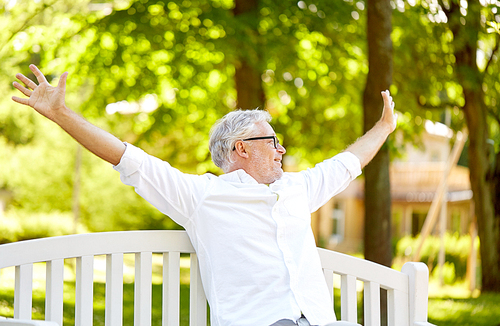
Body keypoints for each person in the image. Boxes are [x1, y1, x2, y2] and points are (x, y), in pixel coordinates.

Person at [12, 64, 397, 326]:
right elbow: (129, 158)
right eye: (274, 141)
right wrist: (61, 114)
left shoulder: (297, 189)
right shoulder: (203, 196)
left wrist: (384, 126)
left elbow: (348, 162)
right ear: (241, 148)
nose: (282, 150)